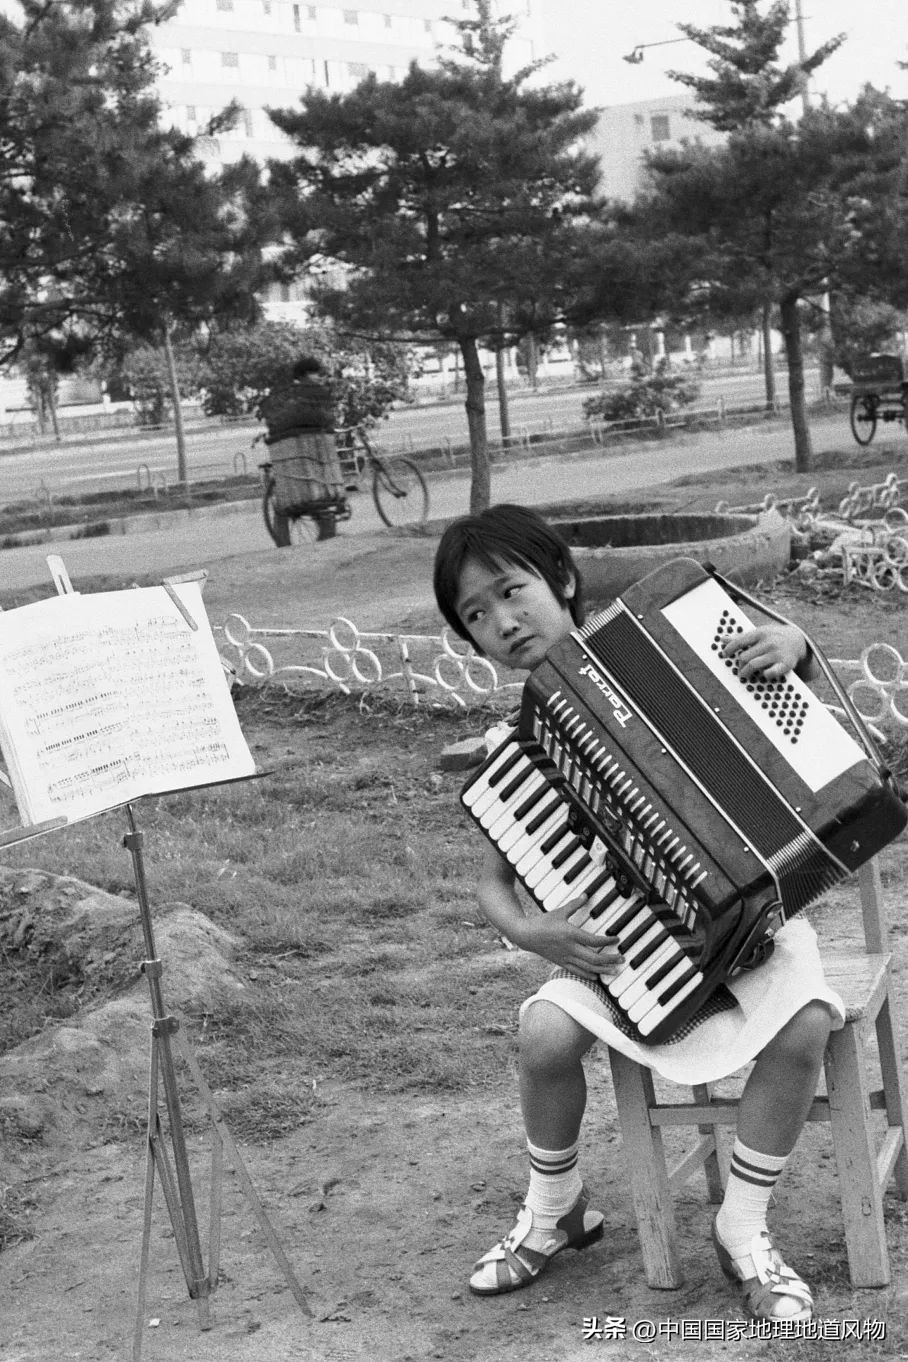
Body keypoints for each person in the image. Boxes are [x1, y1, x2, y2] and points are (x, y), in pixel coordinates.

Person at [432, 503, 845, 1321]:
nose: (504, 623)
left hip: (754, 934)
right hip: (626, 947)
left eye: (513, 592)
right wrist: (530, 929)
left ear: (563, 581)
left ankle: (744, 1228)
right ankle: (556, 1211)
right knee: (544, 1032)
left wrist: (792, 646)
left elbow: (785, 688)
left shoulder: (667, 650)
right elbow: (494, 883)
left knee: (806, 1026)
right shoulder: (513, 745)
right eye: (477, 616)